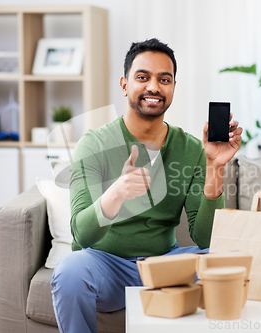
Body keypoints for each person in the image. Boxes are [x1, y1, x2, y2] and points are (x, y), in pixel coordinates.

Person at [51, 38, 243, 333]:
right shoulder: (95, 144)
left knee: (227, 262)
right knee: (70, 270)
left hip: (165, 267)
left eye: (164, 79)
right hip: (106, 266)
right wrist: (116, 193)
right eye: (143, 77)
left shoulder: (191, 149)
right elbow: (82, 234)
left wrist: (215, 168)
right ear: (125, 84)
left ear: (173, 88)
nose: (154, 86)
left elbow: (205, 238)